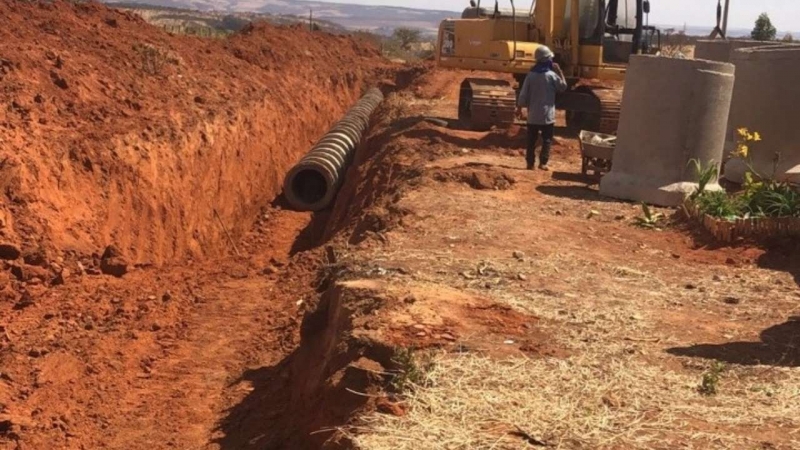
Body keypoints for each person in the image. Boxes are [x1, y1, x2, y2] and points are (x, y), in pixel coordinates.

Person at [516, 46, 568, 171]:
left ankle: (530, 164)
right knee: (547, 140)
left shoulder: (530, 75)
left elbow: (523, 94)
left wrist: (519, 108)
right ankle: (543, 163)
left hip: (533, 115)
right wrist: (559, 71)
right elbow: (563, 87)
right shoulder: (551, 76)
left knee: (531, 141)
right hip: (547, 116)